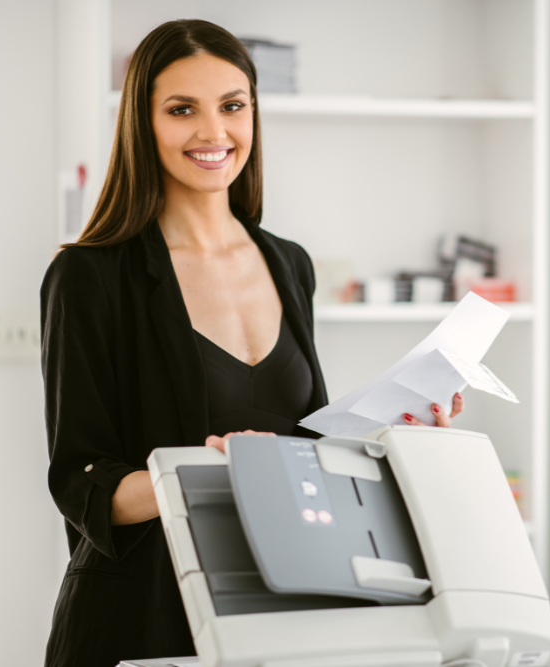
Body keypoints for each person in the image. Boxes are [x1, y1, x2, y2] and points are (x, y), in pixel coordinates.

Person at [40, 19, 463, 667]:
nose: (214, 132)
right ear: (142, 124)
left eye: (233, 106)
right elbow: (79, 482)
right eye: (183, 110)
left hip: (280, 608)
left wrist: (396, 426)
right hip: (146, 618)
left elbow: (301, 446)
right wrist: (201, 474)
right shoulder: (90, 276)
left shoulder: (290, 264)